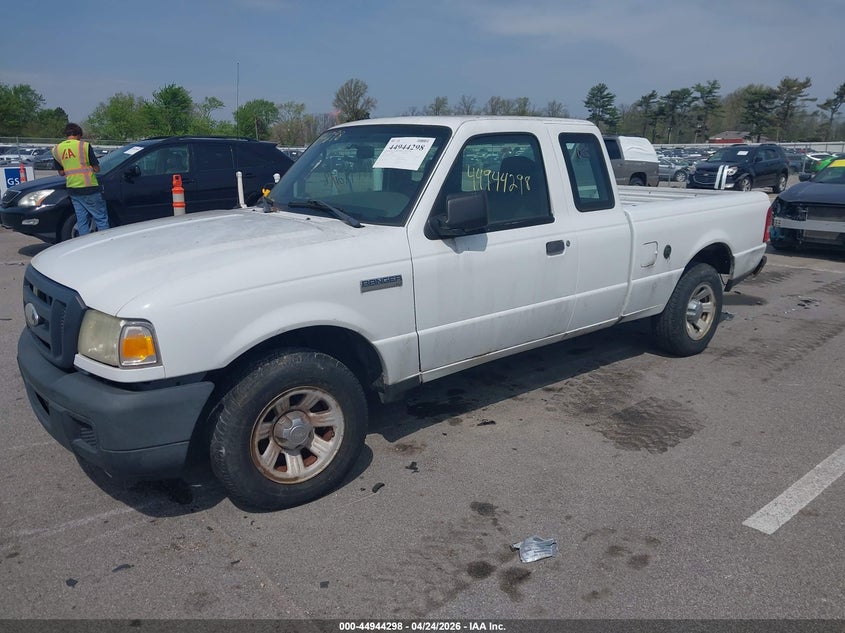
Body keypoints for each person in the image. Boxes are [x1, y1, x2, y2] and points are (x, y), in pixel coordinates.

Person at [51, 123, 109, 236]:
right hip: (89, 187)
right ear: (79, 134)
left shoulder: (56, 149)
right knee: (101, 218)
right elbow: (97, 168)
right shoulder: (84, 146)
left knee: (82, 221)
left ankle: (83, 245)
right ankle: (105, 243)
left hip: (72, 188)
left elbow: (61, 172)